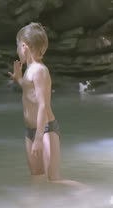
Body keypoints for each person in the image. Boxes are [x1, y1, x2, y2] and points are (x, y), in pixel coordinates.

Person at [8, 22, 84, 187]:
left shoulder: (40, 71)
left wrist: (39, 138)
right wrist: (19, 79)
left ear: (24, 46)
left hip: (45, 130)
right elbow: (31, 94)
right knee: (36, 176)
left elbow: (42, 105)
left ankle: (89, 193)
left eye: (17, 46)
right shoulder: (30, 70)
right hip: (31, 131)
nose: (17, 50)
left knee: (54, 179)